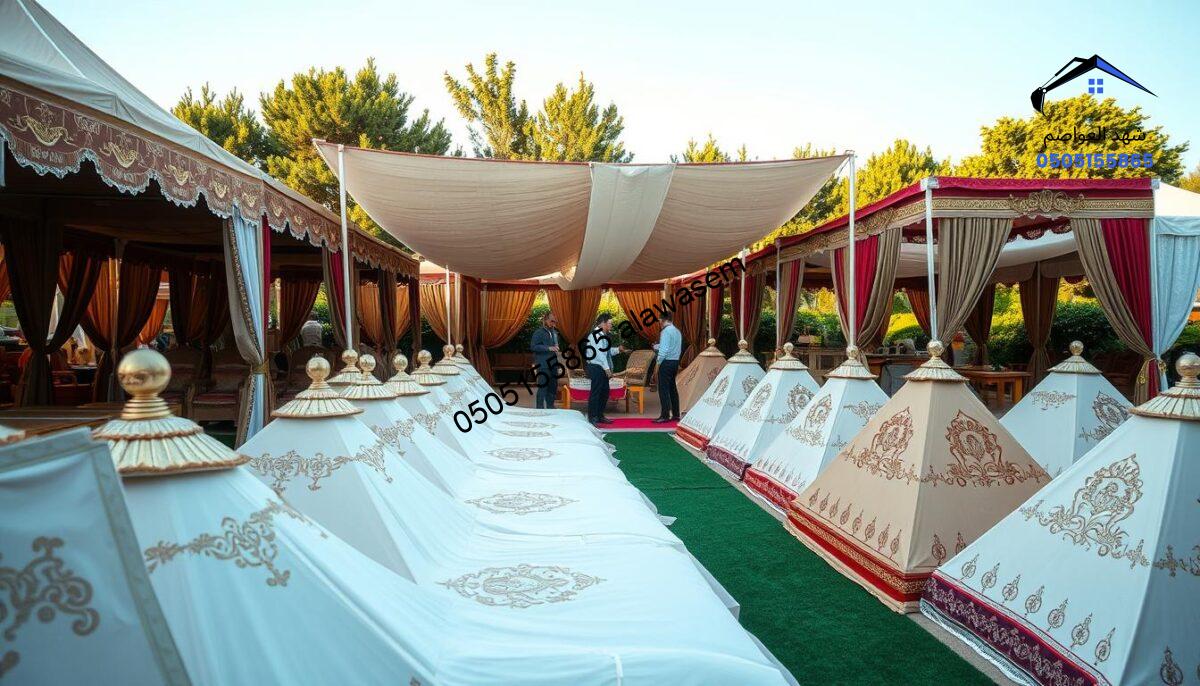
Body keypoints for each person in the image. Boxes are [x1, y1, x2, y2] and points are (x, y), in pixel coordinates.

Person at [582, 313, 627, 427]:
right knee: (596, 392)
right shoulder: (595, 335)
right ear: (603, 323)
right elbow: (600, 354)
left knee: (604, 392)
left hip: (601, 366)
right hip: (596, 367)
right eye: (610, 323)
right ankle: (592, 418)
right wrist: (607, 369)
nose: (611, 326)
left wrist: (618, 350)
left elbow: (607, 352)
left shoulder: (603, 335)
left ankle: (600, 415)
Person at [652, 311, 682, 423]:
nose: (659, 322)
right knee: (672, 388)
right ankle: (676, 414)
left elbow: (663, 351)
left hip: (666, 363)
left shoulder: (665, 332)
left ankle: (664, 415)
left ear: (662, 320)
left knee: (663, 389)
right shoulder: (677, 331)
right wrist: (656, 346)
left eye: (659, 320)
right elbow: (669, 346)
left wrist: (657, 366)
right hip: (675, 362)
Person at [530, 312, 561, 409]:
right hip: (543, 365)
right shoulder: (538, 332)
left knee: (553, 387)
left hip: (553, 364)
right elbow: (533, 347)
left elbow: (555, 347)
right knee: (543, 387)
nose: (553, 323)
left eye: (555, 321)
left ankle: (550, 407)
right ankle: (539, 410)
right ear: (545, 320)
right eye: (552, 321)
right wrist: (548, 348)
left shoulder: (554, 332)